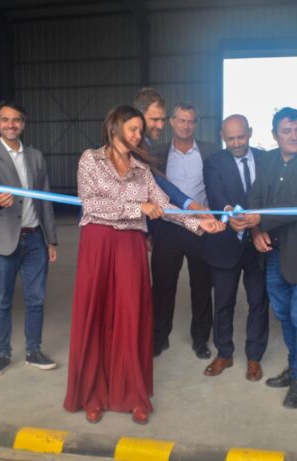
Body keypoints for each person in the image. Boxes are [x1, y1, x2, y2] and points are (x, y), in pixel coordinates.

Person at [63, 105, 223, 425]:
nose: (139, 135)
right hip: (98, 244)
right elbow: (90, 203)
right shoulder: (90, 159)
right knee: (97, 315)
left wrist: (199, 223)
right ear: (114, 127)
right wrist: (139, 207)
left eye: (140, 130)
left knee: (131, 317)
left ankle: (133, 394)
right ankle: (94, 395)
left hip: (130, 247)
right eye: (133, 129)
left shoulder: (141, 168)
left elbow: (164, 206)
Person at [241, 107, 297, 408]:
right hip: (273, 253)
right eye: (287, 131)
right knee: (284, 314)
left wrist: (260, 220)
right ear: (274, 135)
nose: (294, 136)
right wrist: (256, 231)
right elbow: (255, 196)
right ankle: (294, 368)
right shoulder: (267, 160)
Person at [0, 100, 58, 379]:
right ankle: (2, 354)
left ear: (23, 124)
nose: (11, 125)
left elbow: (45, 199)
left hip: (34, 239)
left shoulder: (35, 156)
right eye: (5, 120)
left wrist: (51, 239)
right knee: (2, 300)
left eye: (16, 120)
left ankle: (34, 351)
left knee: (36, 299)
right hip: (2, 240)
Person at [149, 102, 220, 359]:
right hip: (168, 229)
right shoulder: (156, 153)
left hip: (201, 228)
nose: (186, 126)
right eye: (181, 120)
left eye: (191, 121)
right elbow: (150, 191)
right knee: (162, 287)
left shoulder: (211, 151)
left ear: (196, 124)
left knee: (202, 286)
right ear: (171, 121)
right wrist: (149, 231)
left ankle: (201, 340)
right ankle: (159, 338)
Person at [202, 114, 269, 381]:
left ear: (250, 132)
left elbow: (270, 196)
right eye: (230, 139)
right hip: (225, 243)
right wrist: (229, 213)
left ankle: (254, 357)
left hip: (258, 244)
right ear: (222, 137)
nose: (237, 143)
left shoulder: (266, 159)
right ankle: (224, 353)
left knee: (258, 302)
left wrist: (258, 225)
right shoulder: (213, 162)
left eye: (241, 137)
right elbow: (215, 194)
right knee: (223, 302)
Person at [133, 87, 205, 212]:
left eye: (162, 119)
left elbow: (159, 184)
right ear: (138, 117)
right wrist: (139, 206)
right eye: (155, 120)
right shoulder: (123, 149)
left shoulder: (148, 149)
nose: (161, 126)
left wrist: (192, 207)